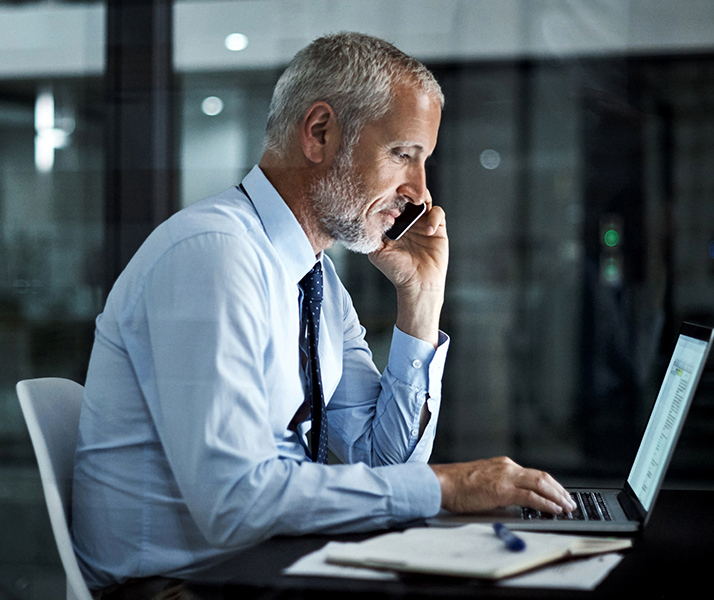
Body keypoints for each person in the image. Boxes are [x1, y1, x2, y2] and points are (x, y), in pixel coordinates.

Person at [72, 32, 576, 597]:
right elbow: (235, 503)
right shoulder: (214, 255)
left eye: (423, 162)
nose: (420, 193)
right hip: (176, 587)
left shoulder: (315, 281)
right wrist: (448, 487)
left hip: (256, 568)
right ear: (319, 133)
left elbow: (383, 463)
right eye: (402, 154)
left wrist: (421, 299)